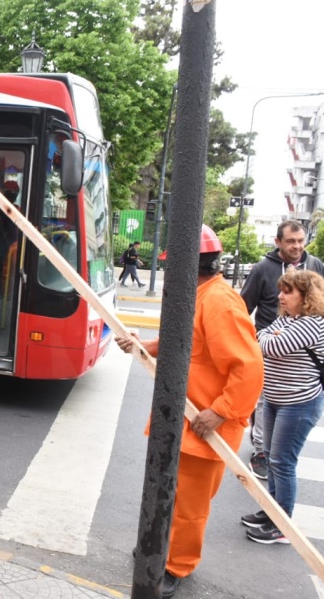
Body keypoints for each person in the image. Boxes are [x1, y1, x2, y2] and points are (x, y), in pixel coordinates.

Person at [116, 225, 263, 598]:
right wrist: (141, 345)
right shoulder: (197, 296)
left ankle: (177, 566)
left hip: (204, 427)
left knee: (189, 506)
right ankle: (157, 549)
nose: (166, 270)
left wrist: (221, 411)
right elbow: (181, 342)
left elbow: (248, 368)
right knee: (165, 494)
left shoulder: (219, 302)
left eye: (171, 263)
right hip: (179, 421)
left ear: (188, 263)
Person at [241, 269, 324, 544]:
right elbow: (261, 335)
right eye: (281, 290)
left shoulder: (313, 324)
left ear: (307, 296)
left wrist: (268, 336)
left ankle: (282, 525)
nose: (280, 296)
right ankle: (272, 512)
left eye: (288, 292)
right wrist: (269, 335)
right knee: (271, 459)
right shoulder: (289, 319)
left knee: (282, 462)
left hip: (299, 404)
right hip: (275, 400)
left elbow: (269, 346)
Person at [240, 219, 324, 480]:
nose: (297, 246)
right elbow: (244, 308)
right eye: (290, 241)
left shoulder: (315, 265)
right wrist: (257, 339)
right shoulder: (263, 269)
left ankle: (274, 454)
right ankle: (260, 452)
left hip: (301, 355)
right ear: (278, 242)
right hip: (268, 346)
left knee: (284, 444)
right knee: (263, 402)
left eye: (300, 241)